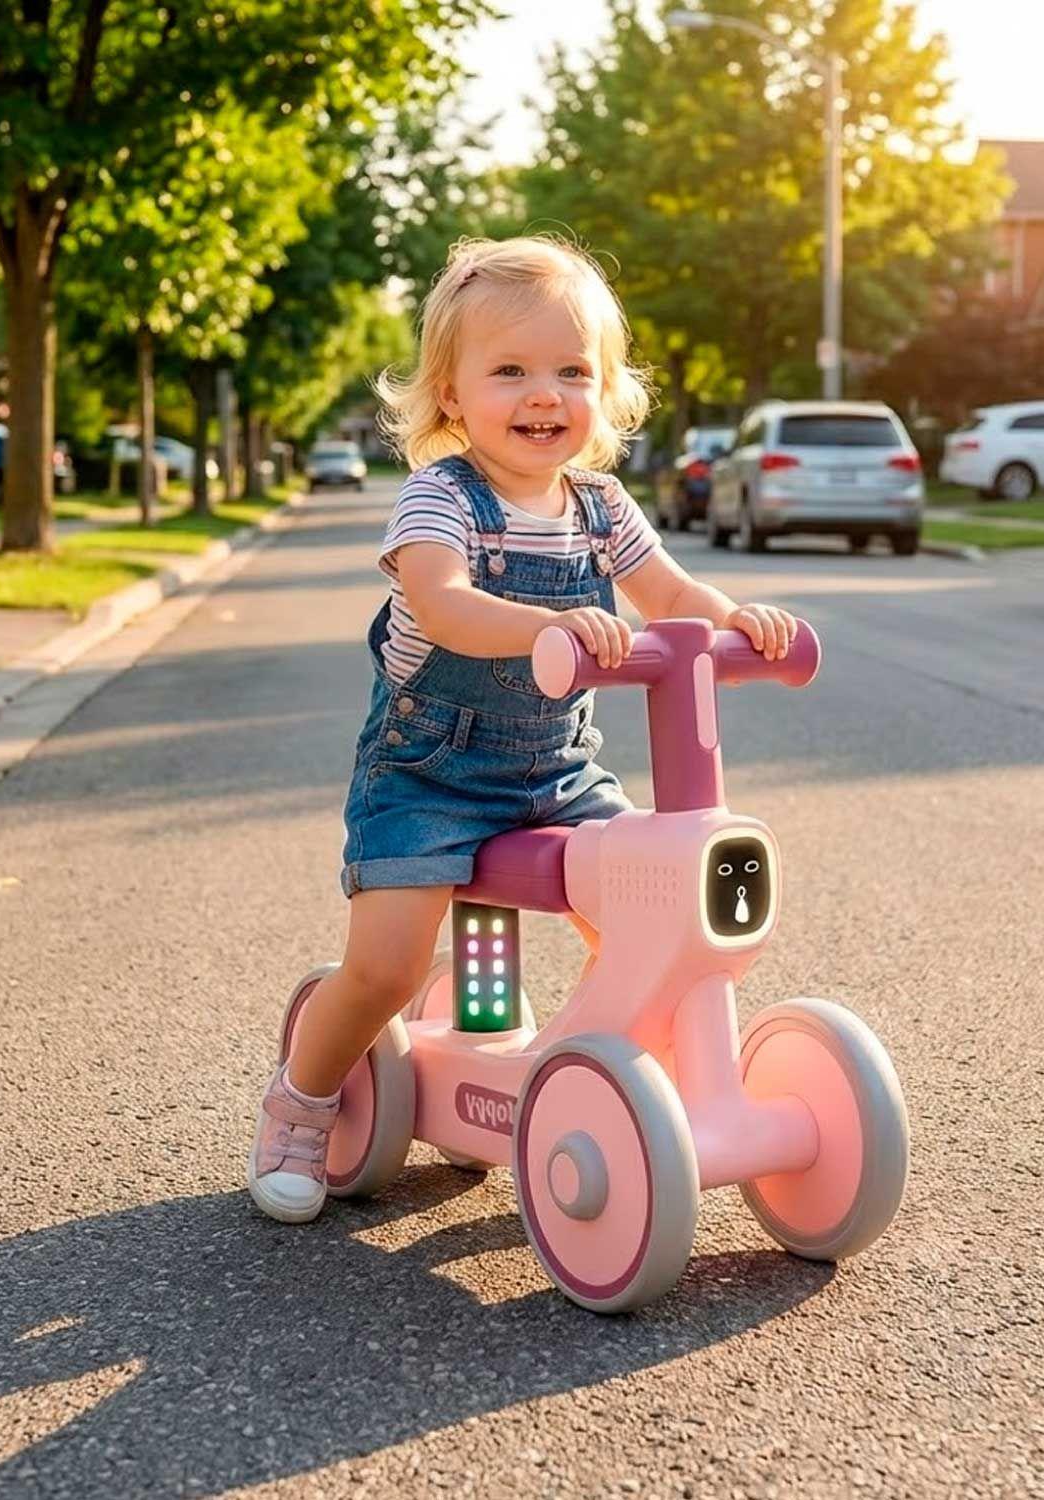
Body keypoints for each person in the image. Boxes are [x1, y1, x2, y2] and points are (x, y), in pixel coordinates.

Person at [250, 235, 799, 1223]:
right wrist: (552, 625)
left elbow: (671, 595)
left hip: (558, 774)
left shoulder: (600, 505)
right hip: (431, 773)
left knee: (656, 914)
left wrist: (736, 621)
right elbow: (446, 605)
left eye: (571, 372)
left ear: (604, 391)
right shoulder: (439, 498)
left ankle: (575, 1071)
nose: (544, 395)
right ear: (451, 393)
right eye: (510, 370)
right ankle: (303, 1100)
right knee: (387, 967)